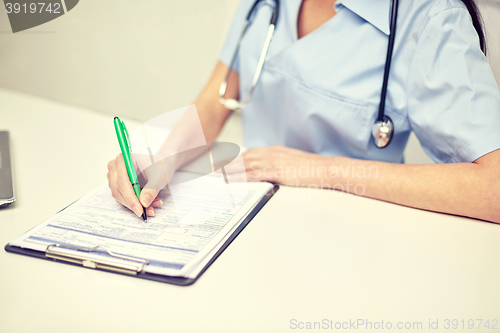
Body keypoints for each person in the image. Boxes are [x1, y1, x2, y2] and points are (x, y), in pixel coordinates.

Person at [107, 0, 500, 223]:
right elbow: (217, 98)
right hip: (244, 216)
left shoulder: (431, 17)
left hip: (356, 232)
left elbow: (494, 189)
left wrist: (320, 169)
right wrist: (162, 162)